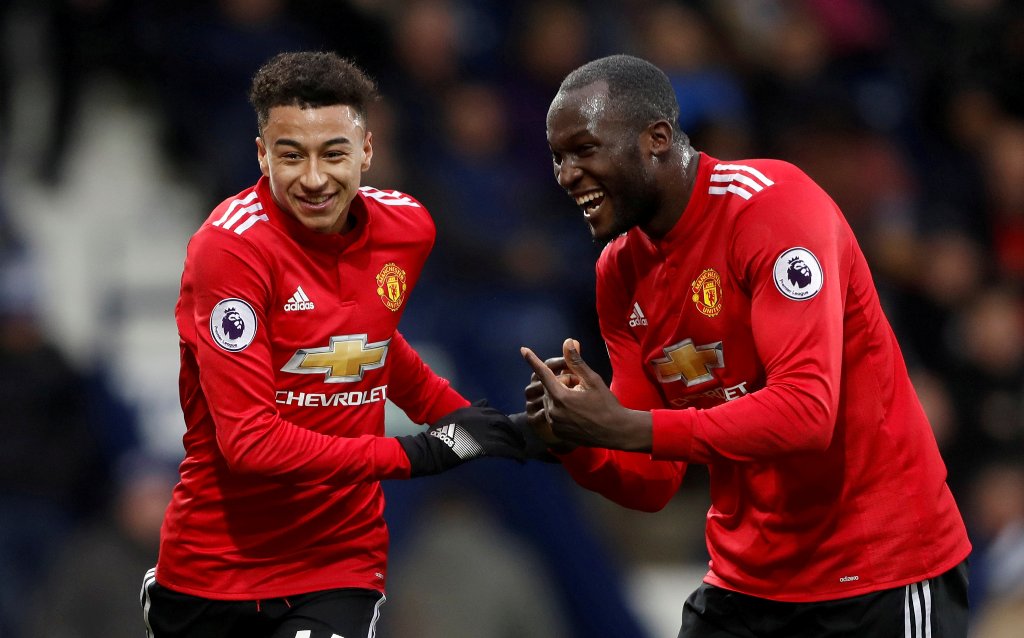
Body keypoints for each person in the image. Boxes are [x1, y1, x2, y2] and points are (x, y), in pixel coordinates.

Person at [520, 54, 972, 637]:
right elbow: (652, 481)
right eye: (558, 158)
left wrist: (626, 427)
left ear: (657, 139)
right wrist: (577, 438)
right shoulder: (619, 272)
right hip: (750, 581)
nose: (566, 174)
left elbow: (807, 412)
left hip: (879, 572)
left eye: (584, 150)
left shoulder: (772, 207)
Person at [141, 51, 524, 638]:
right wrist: (416, 453)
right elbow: (250, 442)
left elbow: (369, 341)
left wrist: (464, 419)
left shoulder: (408, 229)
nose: (315, 178)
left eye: (335, 154)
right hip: (212, 571)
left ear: (366, 151)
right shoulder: (230, 250)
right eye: (291, 155)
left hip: (338, 563)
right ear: (262, 154)